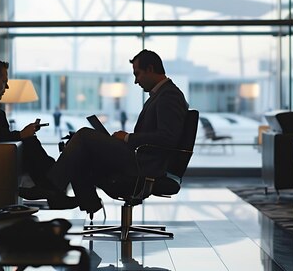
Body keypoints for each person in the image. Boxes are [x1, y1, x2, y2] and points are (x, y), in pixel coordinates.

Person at [47, 50, 188, 215]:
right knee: (80, 146)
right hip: (142, 158)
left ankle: (53, 189)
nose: (136, 81)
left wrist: (128, 138)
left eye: (138, 74)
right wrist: (125, 139)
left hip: (146, 164)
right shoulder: (162, 95)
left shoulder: (168, 95)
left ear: (150, 69)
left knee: (84, 135)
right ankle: (83, 199)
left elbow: (167, 138)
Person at [0, 60, 76, 209]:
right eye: (4, 81)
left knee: (30, 140)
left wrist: (22, 134)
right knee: (30, 141)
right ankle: (54, 185)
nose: (6, 87)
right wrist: (21, 135)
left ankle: (52, 186)